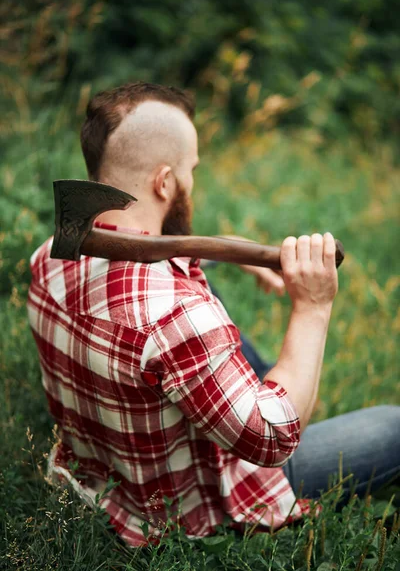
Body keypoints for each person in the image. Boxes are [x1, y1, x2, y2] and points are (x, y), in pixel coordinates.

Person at [27, 81, 400, 548]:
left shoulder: (49, 256)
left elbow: (162, 255)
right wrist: (313, 306)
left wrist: (235, 251)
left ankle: (277, 386)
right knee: (394, 425)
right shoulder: (177, 316)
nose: (192, 182)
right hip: (191, 506)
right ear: (165, 182)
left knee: (210, 303)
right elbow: (272, 442)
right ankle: (288, 395)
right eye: (191, 171)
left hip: (103, 471)